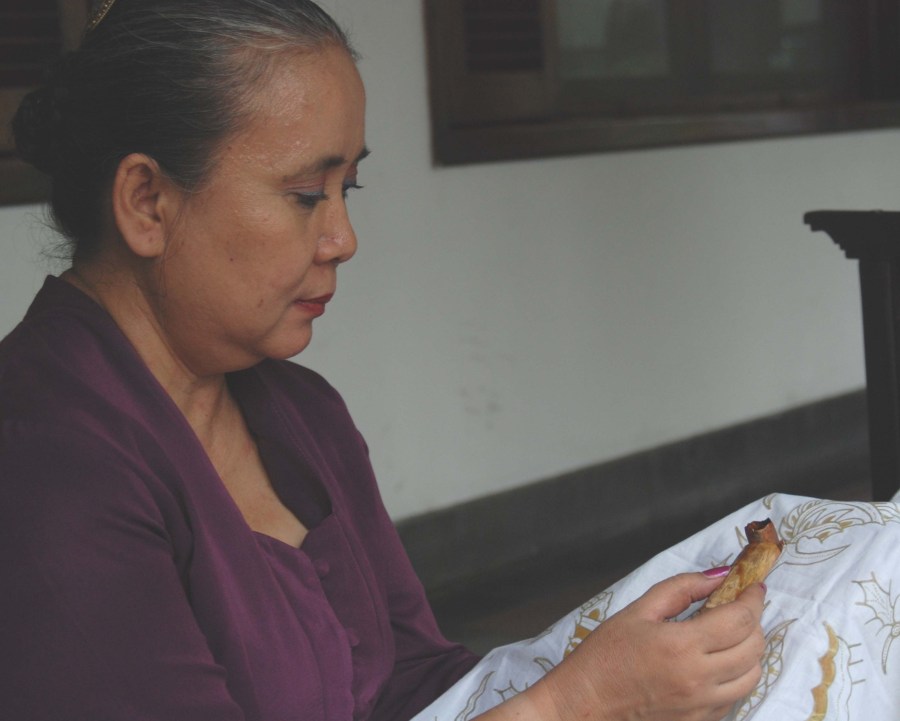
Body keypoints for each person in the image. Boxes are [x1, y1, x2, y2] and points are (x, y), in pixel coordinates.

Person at [0, 1, 765, 720]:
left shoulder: (304, 415)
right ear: (147, 202)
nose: (343, 238)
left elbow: (412, 682)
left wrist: (616, 665)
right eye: (307, 194)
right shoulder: (47, 461)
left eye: (349, 186)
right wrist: (578, 701)